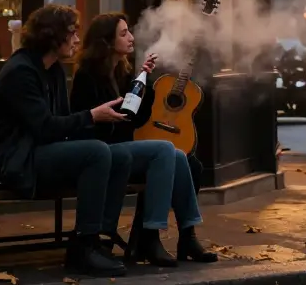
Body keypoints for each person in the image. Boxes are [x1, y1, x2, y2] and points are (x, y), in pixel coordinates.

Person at [0, 4, 131, 276]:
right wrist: (92, 116)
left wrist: (97, 122)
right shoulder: (20, 71)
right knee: (97, 153)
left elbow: (62, 122)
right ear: (52, 36)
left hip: (41, 151)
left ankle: (102, 237)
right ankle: (83, 246)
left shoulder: (53, 70)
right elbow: (45, 127)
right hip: (16, 159)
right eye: (72, 33)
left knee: (120, 155)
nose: (77, 39)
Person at [70, 13, 218, 267]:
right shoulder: (88, 75)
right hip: (103, 151)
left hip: (124, 146)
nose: (131, 37)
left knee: (181, 156)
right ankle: (151, 235)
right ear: (106, 41)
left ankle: (186, 235)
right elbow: (91, 125)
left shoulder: (123, 72)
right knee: (165, 150)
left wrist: (143, 82)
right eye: (123, 33)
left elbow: (136, 119)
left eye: (129, 31)